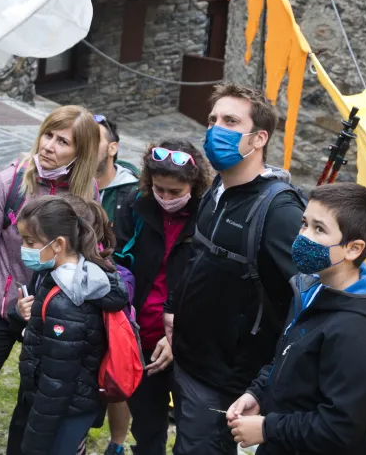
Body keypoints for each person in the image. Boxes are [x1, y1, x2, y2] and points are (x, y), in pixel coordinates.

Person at [0, 105, 101, 455]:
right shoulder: (8, 181)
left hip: (46, 317)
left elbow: (88, 262)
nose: (49, 146)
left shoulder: (87, 198)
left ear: (80, 153)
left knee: (29, 422)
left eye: (63, 142)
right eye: (48, 135)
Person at [165, 83, 307, 455]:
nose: (215, 130)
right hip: (188, 360)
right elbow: (199, 257)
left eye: (230, 121)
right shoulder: (217, 189)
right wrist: (174, 308)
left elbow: (314, 291)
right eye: (213, 119)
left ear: (258, 138)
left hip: (226, 378)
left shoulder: (280, 212)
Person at [226, 182, 366, 454]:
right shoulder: (309, 289)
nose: (304, 236)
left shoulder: (357, 333)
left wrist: (267, 429)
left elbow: (341, 429)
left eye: (319, 229)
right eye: (304, 223)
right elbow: (286, 357)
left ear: (353, 249)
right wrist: (257, 393)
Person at [110, 140, 209, 455]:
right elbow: (119, 265)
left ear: (194, 186)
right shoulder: (134, 206)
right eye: (159, 189)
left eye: (175, 192)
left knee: (193, 434)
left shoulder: (208, 217)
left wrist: (177, 333)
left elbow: (208, 283)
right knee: (147, 429)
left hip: (189, 340)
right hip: (141, 340)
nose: (166, 198)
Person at [14, 195, 128, 455]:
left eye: (30, 242)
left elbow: (58, 381)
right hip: (75, 405)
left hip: (62, 410)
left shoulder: (67, 300)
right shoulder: (78, 277)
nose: (24, 248)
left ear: (59, 244)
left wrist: (34, 441)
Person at [92, 113, 139, 454]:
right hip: (77, 288)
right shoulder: (73, 183)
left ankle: (117, 444)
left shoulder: (132, 192)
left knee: (115, 370)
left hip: (118, 292)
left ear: (112, 148)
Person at [95, 115, 139, 223]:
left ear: (112, 148)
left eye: (93, 140)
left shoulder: (135, 196)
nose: (85, 147)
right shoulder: (67, 184)